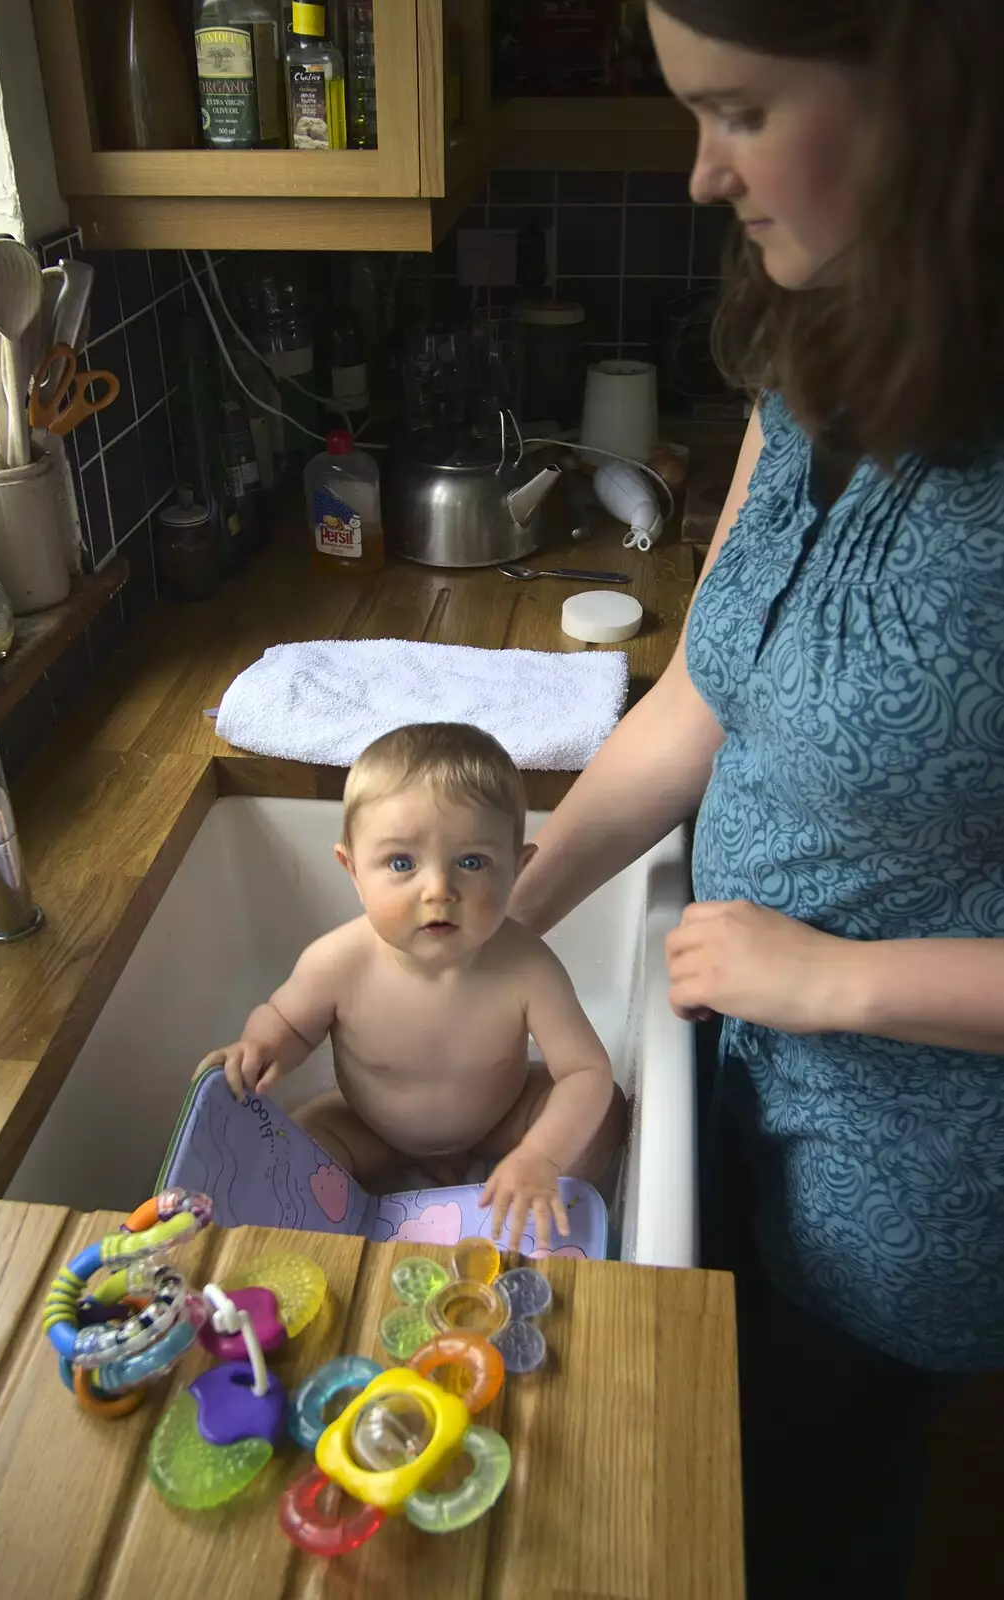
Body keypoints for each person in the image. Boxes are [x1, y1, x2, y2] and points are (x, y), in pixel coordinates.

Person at [508, 3, 1004, 1595]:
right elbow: (699, 699)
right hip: (734, 1105)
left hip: (917, 1213)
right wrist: (501, 912)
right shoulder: (825, 347)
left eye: (736, 111)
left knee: (803, 1529)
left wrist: (833, 981)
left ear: (937, 97)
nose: (703, 175)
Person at [199, 722, 626, 1250]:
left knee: (604, 1111)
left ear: (518, 869)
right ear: (353, 871)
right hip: (368, 1129)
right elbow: (286, 1020)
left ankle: (524, 1190)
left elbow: (585, 1070)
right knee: (294, 1146)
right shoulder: (338, 962)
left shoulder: (527, 969)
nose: (439, 890)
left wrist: (542, 1153)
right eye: (401, 863)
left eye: (472, 862)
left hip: (498, 1118)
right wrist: (260, 1047)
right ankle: (348, 1221)